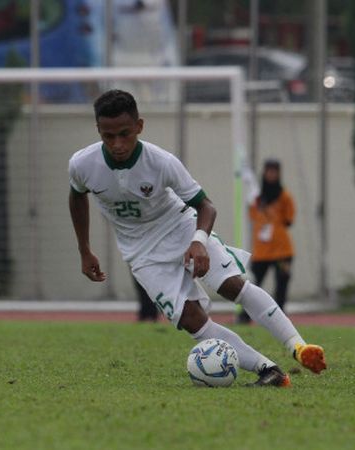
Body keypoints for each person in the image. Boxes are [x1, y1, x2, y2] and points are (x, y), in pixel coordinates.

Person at [68, 89, 326, 386]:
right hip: (141, 254)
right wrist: (84, 250)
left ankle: (299, 347)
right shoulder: (82, 164)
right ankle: (269, 370)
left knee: (230, 285)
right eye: (108, 136)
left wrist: (198, 241)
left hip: (180, 228)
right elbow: (76, 198)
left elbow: (206, 206)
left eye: (125, 134)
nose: (117, 144)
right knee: (190, 319)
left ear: (139, 126)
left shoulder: (162, 162)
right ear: (98, 130)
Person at [237, 159, 296, 324]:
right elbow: (253, 216)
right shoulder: (257, 197)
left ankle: (280, 320)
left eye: (274, 171)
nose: (271, 174)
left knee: (281, 286)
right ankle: (244, 317)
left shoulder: (284, 196)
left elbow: (289, 219)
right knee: (253, 285)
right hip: (262, 251)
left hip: (282, 250)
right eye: (268, 171)